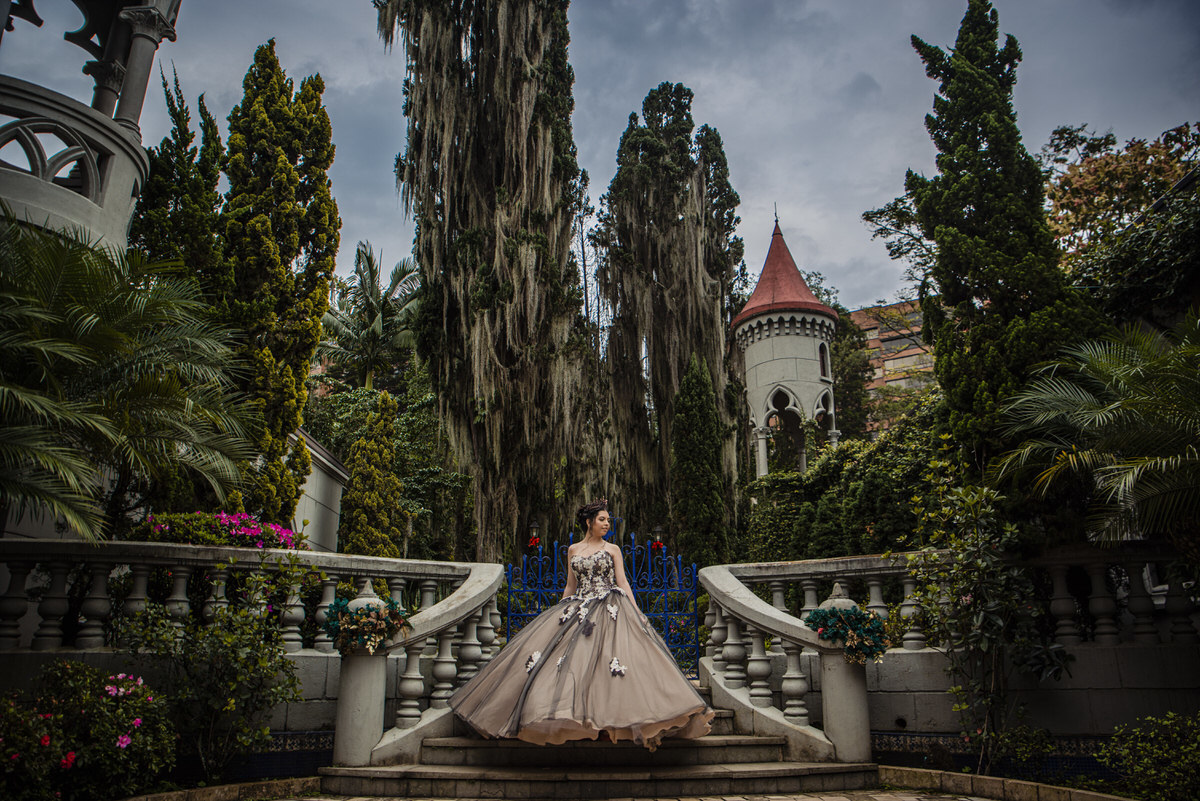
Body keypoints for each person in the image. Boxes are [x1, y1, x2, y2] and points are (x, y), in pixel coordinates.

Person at [450, 499, 713, 750]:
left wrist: (636, 612)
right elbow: (570, 584)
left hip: (610, 607)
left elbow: (622, 582)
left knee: (608, 666)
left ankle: (608, 726)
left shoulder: (613, 550)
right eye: (602, 519)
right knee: (573, 666)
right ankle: (586, 725)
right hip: (579, 607)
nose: (607, 524)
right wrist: (560, 613)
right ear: (589, 522)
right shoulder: (573, 550)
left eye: (608, 520)